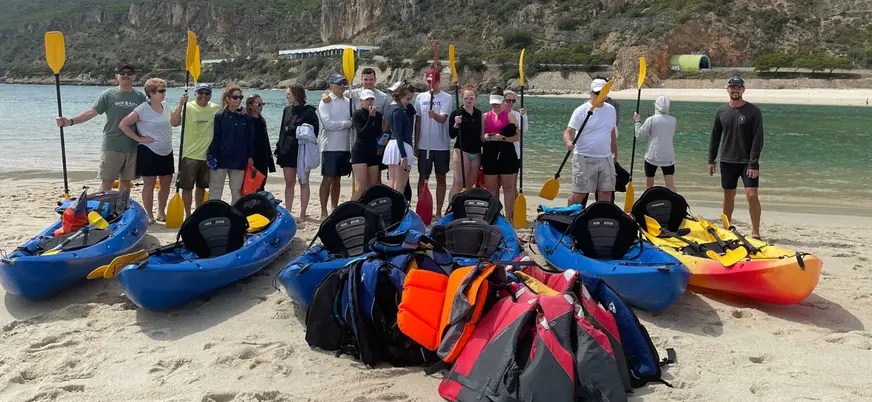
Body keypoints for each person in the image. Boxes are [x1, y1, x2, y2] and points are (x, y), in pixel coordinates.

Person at [55, 61, 146, 193]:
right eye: (122, 73)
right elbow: (91, 113)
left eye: (129, 73)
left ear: (134, 77)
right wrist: (70, 121)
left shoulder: (140, 96)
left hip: (132, 146)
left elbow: (148, 118)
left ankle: (121, 207)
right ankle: (102, 208)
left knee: (126, 182)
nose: (126, 75)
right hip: (112, 145)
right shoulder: (108, 95)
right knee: (107, 180)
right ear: (116, 77)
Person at [708, 76, 765, 239]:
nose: (735, 90)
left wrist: (753, 163)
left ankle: (755, 232)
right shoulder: (721, 112)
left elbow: (758, 139)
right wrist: (711, 160)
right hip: (727, 160)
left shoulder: (754, 111)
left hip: (748, 162)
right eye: (732, 87)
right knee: (728, 196)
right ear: (728, 90)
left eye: (738, 87)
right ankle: (726, 228)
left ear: (743, 90)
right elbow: (715, 137)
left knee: (751, 195)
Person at [118, 78, 173, 224]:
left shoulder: (166, 105)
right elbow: (123, 124)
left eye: (164, 90)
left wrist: (180, 106)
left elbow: (174, 123)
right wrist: (138, 138)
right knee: (149, 183)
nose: (164, 93)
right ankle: (150, 215)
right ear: (151, 93)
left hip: (167, 149)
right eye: (161, 91)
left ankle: (161, 212)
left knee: (166, 182)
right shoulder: (142, 108)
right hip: (149, 150)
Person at [564, 79, 618, 207]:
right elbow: (568, 131)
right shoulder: (581, 110)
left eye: (602, 93)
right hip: (584, 157)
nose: (599, 96)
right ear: (590, 93)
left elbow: (611, 132)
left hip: (605, 158)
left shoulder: (611, 110)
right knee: (579, 194)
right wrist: (568, 142)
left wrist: (615, 152)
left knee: (606, 193)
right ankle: (568, 217)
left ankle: (600, 221)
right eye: (596, 93)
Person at [170, 83, 220, 217]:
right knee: (187, 188)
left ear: (210, 95)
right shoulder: (187, 107)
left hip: (207, 156)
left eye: (207, 93)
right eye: (201, 93)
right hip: (189, 155)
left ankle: (199, 213)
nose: (204, 96)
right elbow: (174, 123)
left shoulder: (216, 108)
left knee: (202, 187)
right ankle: (188, 214)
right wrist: (180, 105)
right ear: (195, 94)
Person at [276, 84, 320, 222]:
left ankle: (302, 214)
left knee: (303, 182)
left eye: (288, 94)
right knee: (289, 182)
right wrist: (279, 147)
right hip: (287, 151)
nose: (286, 96)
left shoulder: (309, 111)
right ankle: (288, 212)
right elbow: (282, 130)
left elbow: (314, 132)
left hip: (302, 151)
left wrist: (294, 129)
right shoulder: (286, 109)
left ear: (296, 94)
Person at [415, 68, 453, 219]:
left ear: (438, 81)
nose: (430, 83)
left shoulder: (446, 98)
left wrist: (434, 115)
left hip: (441, 145)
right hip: (425, 144)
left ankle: (438, 212)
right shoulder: (420, 97)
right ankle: (422, 209)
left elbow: (443, 119)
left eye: (433, 81)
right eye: (428, 80)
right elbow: (418, 121)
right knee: (423, 176)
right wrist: (416, 142)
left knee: (441, 176)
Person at [208, 83, 254, 204]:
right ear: (227, 99)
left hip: (239, 160)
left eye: (240, 97)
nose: (238, 100)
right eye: (235, 97)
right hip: (220, 159)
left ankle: (236, 217)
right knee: (215, 190)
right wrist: (211, 156)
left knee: (237, 191)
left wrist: (250, 156)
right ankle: (213, 215)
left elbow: (250, 139)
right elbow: (215, 137)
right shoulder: (219, 116)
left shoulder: (246, 118)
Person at [481, 87, 521, 219]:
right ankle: (494, 216)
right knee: (491, 188)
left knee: (508, 189)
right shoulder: (485, 116)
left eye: (497, 102)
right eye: (493, 103)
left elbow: (517, 137)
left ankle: (509, 218)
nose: (495, 105)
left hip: (507, 153)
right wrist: (486, 136)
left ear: (502, 102)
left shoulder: (510, 115)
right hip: (490, 153)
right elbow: (480, 137)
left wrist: (502, 138)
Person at [318, 73, 353, 219]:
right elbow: (328, 124)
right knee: (328, 178)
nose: (342, 86)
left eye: (343, 83)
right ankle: (323, 210)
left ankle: (334, 208)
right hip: (329, 147)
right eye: (338, 84)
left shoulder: (348, 101)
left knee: (338, 179)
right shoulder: (326, 102)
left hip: (344, 147)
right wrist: (348, 124)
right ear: (331, 86)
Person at [634, 95, 677, 192]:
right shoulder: (673, 120)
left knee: (649, 186)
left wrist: (637, 122)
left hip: (652, 156)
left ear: (656, 105)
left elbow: (639, 135)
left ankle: (648, 203)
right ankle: (676, 204)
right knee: (670, 185)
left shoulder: (651, 120)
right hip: (668, 156)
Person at [448, 85, 483, 202]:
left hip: (476, 152)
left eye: (471, 97)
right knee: (459, 182)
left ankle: (464, 206)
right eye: (466, 97)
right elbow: (451, 134)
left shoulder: (479, 114)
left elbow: (481, 134)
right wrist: (455, 124)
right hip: (462, 151)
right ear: (462, 98)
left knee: (469, 184)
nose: (469, 100)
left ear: (475, 99)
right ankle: (451, 207)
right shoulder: (456, 113)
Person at [350, 89, 384, 200]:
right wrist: (371, 117)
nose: (369, 102)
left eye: (371, 99)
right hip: (360, 151)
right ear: (361, 101)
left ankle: (369, 209)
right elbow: (362, 133)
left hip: (372, 151)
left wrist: (381, 145)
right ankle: (351, 208)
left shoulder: (378, 115)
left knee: (373, 185)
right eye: (367, 99)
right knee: (361, 186)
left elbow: (377, 133)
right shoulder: (357, 114)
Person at [383, 86, 416, 196]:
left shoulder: (390, 108)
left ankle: (392, 210)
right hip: (401, 145)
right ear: (399, 96)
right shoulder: (399, 110)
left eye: (411, 99)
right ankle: (397, 211)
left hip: (393, 145)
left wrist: (406, 103)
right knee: (400, 185)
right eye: (407, 98)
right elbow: (398, 133)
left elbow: (412, 112)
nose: (409, 101)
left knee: (392, 182)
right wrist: (403, 155)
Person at [245, 94, 276, 191]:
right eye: (258, 104)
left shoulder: (262, 121)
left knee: (261, 186)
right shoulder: (246, 120)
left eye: (263, 104)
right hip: (251, 159)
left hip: (263, 158)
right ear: (250, 105)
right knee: (250, 187)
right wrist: (248, 157)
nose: (261, 106)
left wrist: (270, 162)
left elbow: (266, 142)